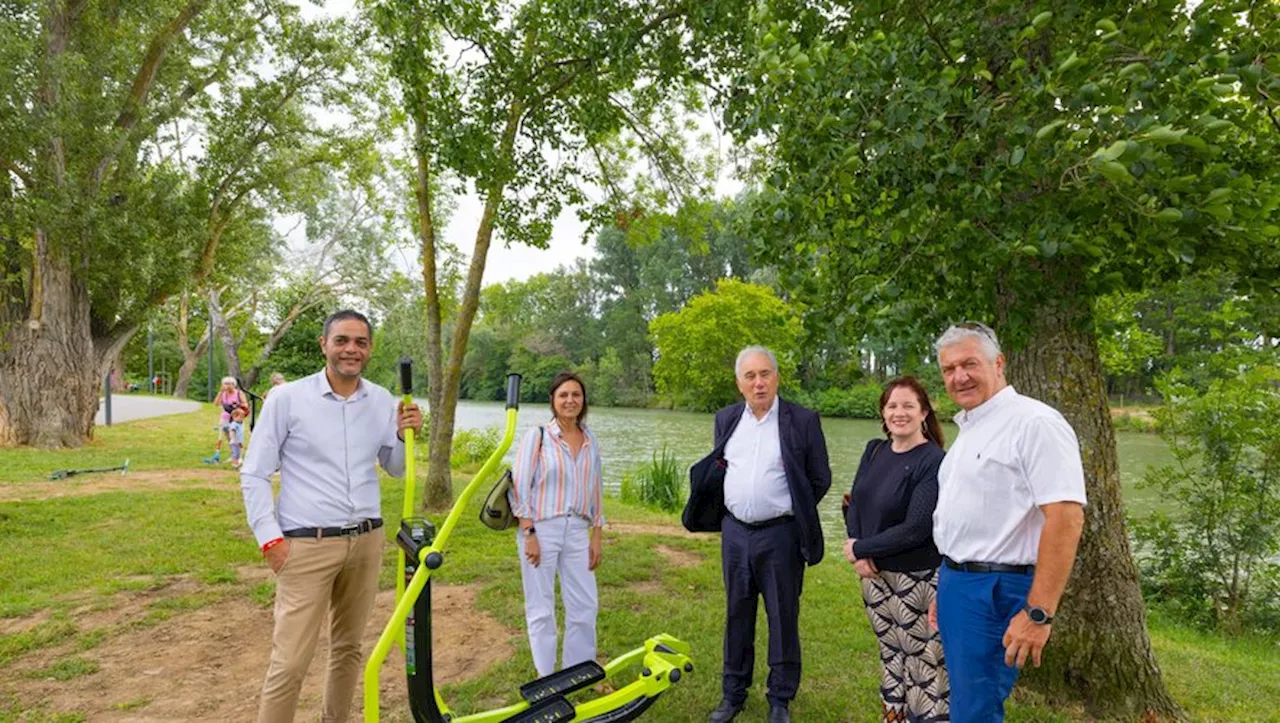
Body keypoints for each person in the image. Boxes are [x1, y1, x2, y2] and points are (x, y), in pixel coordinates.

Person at [239, 309, 423, 723]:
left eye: (360, 342)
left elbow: (395, 468)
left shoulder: (379, 400)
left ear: (369, 349)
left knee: (348, 649)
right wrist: (270, 539)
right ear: (324, 345)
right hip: (305, 544)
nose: (350, 350)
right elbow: (253, 473)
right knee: (289, 662)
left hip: (365, 540)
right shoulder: (288, 399)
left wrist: (401, 436)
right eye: (341, 340)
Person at [927, 322, 1086, 722]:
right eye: (949, 369)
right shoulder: (972, 427)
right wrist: (947, 584)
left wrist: (1039, 613)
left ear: (998, 363)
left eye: (969, 364)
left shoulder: (1034, 423)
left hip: (996, 590)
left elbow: (1066, 518)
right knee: (964, 700)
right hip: (959, 583)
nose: (959, 376)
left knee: (975, 713)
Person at [684, 346, 831, 723]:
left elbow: (820, 477)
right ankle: (732, 694)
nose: (759, 382)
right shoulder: (727, 419)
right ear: (739, 383)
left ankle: (780, 698)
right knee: (737, 614)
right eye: (750, 376)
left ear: (777, 377)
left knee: (783, 615)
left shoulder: (802, 420)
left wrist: (791, 505)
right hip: (735, 534)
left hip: (780, 534)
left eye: (765, 374)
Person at [844, 377, 949, 722]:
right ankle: (892, 718)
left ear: (923, 412)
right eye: (892, 406)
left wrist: (862, 547)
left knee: (923, 662)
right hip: (874, 577)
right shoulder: (874, 450)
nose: (899, 413)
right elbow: (854, 503)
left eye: (908, 406)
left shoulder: (933, 461)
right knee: (890, 656)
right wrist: (861, 552)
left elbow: (917, 528)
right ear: (883, 413)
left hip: (916, 581)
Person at [507, 372, 605, 678]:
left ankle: (577, 673)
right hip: (541, 528)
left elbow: (596, 489)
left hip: (577, 529)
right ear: (553, 400)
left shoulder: (590, 440)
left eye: (576, 395)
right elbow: (519, 487)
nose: (570, 400)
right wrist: (529, 533)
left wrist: (597, 535)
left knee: (585, 604)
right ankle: (546, 676)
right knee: (541, 606)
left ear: (583, 400)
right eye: (563, 395)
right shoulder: (537, 436)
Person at [210, 377, 249, 463]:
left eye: (229, 383)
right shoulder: (223, 394)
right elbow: (216, 404)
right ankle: (233, 455)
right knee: (229, 438)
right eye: (225, 383)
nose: (227, 386)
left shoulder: (239, 393)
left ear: (233, 385)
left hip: (236, 418)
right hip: (225, 417)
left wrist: (237, 405)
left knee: (237, 437)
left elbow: (245, 405)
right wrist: (220, 392)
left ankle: (239, 457)